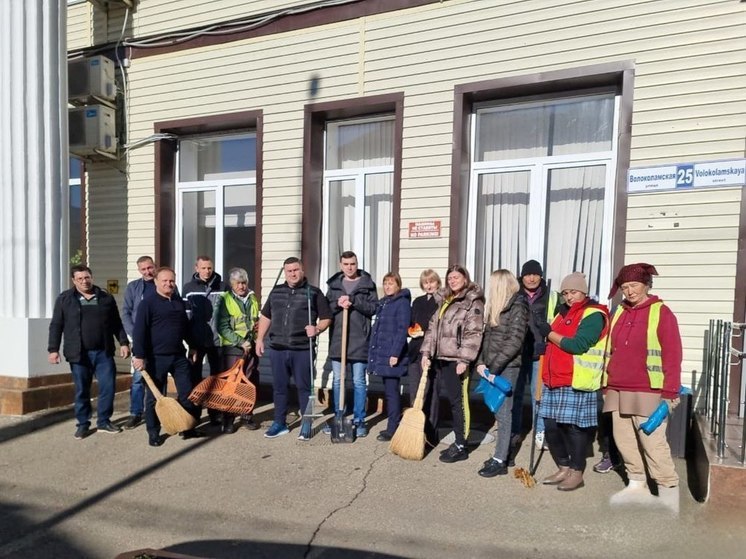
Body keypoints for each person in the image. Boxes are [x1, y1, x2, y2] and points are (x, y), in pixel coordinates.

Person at [604, 263, 682, 513]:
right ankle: (637, 484)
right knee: (624, 440)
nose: (629, 291)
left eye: (634, 285)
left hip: (648, 390)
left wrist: (670, 393)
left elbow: (673, 355)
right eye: (625, 286)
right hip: (617, 388)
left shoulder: (662, 313)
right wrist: (606, 384)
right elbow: (610, 349)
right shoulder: (618, 312)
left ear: (646, 285)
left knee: (653, 444)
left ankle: (668, 494)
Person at [537, 272, 609, 491]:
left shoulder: (593, 314)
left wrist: (549, 334)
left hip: (576, 379)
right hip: (553, 379)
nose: (569, 297)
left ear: (584, 292)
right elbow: (556, 341)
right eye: (566, 293)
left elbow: (578, 345)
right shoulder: (561, 313)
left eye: (574, 292)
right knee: (551, 427)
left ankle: (577, 472)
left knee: (574, 429)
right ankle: (563, 466)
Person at [47, 265, 130, 439]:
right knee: (81, 390)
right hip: (79, 353)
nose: (84, 281)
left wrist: (123, 342)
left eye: (87, 277)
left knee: (108, 387)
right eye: (80, 279)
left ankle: (104, 422)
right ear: (73, 280)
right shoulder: (65, 299)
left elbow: (116, 323)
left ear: (91, 277)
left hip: (103, 352)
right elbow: (56, 325)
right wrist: (53, 349)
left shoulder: (105, 298)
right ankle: (83, 424)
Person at [255, 257, 332, 440]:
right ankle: (279, 423)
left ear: (302, 270)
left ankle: (307, 423)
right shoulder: (276, 292)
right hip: (278, 348)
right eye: (289, 271)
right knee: (280, 388)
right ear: (285, 272)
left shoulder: (313, 293)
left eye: (296, 269)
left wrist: (318, 328)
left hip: (302, 349)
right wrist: (259, 339)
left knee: (304, 388)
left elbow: (326, 317)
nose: (293, 273)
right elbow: (266, 316)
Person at [421, 265, 484, 464]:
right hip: (442, 357)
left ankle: (461, 445)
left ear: (465, 279)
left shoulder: (472, 301)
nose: (453, 281)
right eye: (450, 278)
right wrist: (426, 353)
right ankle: (458, 441)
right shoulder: (445, 300)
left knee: (459, 403)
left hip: (457, 360)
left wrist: (464, 359)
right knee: (453, 401)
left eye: (456, 277)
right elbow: (432, 329)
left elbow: (473, 332)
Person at [132, 267, 202, 447]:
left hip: (178, 356)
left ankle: (188, 427)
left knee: (188, 393)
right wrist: (138, 355)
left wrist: (192, 346)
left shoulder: (178, 302)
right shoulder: (147, 304)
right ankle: (153, 432)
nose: (168, 284)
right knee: (155, 397)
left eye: (171, 280)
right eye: (164, 280)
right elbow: (139, 331)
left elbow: (185, 328)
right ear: (156, 281)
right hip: (155, 358)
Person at [475, 270, 529, 477]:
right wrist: (481, 363)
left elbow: (514, 341)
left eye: (493, 284)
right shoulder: (497, 306)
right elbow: (486, 337)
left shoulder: (518, 306)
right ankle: (502, 452)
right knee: (499, 411)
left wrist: (493, 369)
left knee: (504, 413)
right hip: (492, 366)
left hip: (507, 367)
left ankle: (500, 460)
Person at [326, 251, 378, 437]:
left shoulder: (367, 285)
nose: (349, 267)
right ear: (341, 265)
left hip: (360, 340)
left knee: (358, 381)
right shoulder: (334, 285)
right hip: (339, 339)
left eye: (353, 264)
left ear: (357, 264)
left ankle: (359, 420)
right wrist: (336, 305)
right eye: (346, 264)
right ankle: (339, 416)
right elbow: (326, 310)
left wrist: (354, 300)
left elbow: (373, 308)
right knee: (338, 380)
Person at [510, 260, 558, 456]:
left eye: (535, 274)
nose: (531, 278)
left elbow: (558, 323)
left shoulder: (550, 297)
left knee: (539, 395)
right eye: (527, 274)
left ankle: (540, 431)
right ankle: (514, 430)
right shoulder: (514, 295)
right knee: (515, 393)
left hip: (540, 353)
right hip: (518, 353)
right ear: (522, 277)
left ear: (541, 276)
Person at [367, 272, 411, 441]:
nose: (387, 287)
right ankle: (393, 424)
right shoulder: (384, 303)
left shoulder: (401, 304)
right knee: (389, 391)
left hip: (392, 356)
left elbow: (402, 330)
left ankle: (393, 428)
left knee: (392, 393)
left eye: (391, 284)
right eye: (385, 284)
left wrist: (395, 354)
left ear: (398, 286)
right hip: (382, 354)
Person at [182, 255, 226, 424]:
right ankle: (195, 414)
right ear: (196, 268)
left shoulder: (223, 286)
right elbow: (186, 318)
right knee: (195, 378)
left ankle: (216, 413)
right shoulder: (188, 288)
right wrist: (190, 344)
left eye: (209, 268)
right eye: (203, 268)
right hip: (196, 342)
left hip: (218, 341)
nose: (207, 271)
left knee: (217, 378)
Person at [216, 267, 260, 433]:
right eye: (238, 283)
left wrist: (257, 329)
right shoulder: (225, 299)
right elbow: (222, 326)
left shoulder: (252, 298)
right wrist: (240, 342)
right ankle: (228, 419)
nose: (241, 286)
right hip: (232, 349)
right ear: (232, 284)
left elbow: (254, 320)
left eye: (243, 283)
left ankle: (247, 415)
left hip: (251, 347)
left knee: (249, 382)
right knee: (231, 385)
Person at [121, 255, 157, 430]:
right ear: (139, 270)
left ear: (154, 266)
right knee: (137, 379)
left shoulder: (163, 283)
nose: (148, 272)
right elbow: (126, 312)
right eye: (144, 269)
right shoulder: (133, 287)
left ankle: (157, 411)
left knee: (158, 376)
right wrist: (135, 334)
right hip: (140, 341)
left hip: (159, 341)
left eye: (150, 268)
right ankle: (135, 413)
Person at [407, 269, 442, 443]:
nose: (429, 285)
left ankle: (431, 433)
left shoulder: (441, 301)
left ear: (437, 283)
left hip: (432, 354)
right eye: (425, 282)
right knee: (415, 394)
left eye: (432, 281)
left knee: (430, 394)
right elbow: (412, 322)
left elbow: (439, 328)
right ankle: (414, 433)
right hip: (415, 351)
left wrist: (426, 333)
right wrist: (412, 330)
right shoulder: (418, 301)